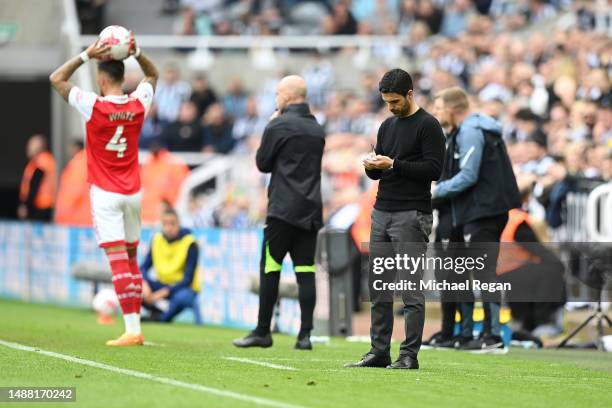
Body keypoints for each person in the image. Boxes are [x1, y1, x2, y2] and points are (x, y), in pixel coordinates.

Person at [49, 33, 158, 346]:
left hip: (106, 194)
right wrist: (137, 52)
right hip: (133, 193)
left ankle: (133, 330)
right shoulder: (139, 103)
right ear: (124, 77)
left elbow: (56, 78)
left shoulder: (92, 106)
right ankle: (134, 328)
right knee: (132, 259)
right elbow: (152, 74)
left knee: (117, 261)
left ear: (100, 78)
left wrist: (86, 54)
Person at [345, 68, 446, 369]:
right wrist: (372, 166)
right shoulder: (387, 126)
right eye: (387, 102)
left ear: (410, 94)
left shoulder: (428, 126)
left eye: (395, 101)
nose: (391, 107)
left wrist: (394, 164)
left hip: (412, 213)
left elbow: (433, 170)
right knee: (378, 286)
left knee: (410, 288)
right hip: (382, 210)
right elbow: (382, 170)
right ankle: (379, 351)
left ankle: (408, 354)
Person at [233, 75, 325, 351]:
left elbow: (262, 163)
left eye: (277, 94)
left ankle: (263, 331)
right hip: (310, 210)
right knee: (305, 271)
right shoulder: (317, 128)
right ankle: (305, 335)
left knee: (270, 269)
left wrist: (272, 122)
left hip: (283, 210)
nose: (276, 98)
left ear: (286, 95)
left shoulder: (279, 125)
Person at [432, 87, 521, 351]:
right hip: (479, 210)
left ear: (451, 108)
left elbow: (469, 175)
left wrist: (436, 191)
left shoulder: (471, 131)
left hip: (484, 210)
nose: (435, 113)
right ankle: (467, 333)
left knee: (483, 273)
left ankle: (492, 337)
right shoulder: (465, 131)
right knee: (467, 272)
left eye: (438, 107)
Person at [140, 208, 201, 323]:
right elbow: (144, 267)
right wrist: (145, 283)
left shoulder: (190, 243)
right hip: (162, 284)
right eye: (165, 224)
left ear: (179, 223)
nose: (169, 227)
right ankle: (156, 313)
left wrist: (163, 292)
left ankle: (162, 318)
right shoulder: (156, 239)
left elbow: (188, 279)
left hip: (183, 288)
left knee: (181, 298)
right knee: (136, 287)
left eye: (172, 223)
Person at [18, 134, 56, 222]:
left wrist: (26, 205)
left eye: (31, 146)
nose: (28, 148)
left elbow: (35, 185)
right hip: (45, 205)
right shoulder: (46, 160)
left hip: (41, 206)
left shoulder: (41, 162)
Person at [54, 141, 91, 226]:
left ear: (76, 148)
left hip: (76, 219)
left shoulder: (79, 163)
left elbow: (73, 192)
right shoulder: (87, 161)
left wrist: (61, 215)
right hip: (84, 218)